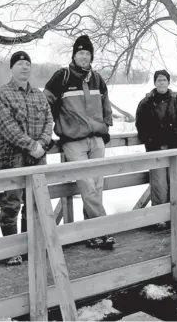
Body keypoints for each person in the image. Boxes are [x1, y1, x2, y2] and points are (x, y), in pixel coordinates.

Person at [43, 35, 115, 250]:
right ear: (74, 55)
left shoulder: (97, 79)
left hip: (96, 139)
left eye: (87, 53)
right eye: (80, 53)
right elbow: (45, 103)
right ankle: (102, 229)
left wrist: (106, 127)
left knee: (97, 186)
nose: (84, 57)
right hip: (73, 141)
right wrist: (54, 125)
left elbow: (106, 104)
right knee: (87, 186)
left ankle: (91, 233)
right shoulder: (62, 77)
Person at [0, 51, 53, 265]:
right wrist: (31, 146)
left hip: (38, 157)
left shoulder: (38, 95)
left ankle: (31, 245)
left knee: (35, 203)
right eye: (20, 64)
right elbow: (7, 126)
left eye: (27, 64)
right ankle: (11, 250)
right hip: (14, 158)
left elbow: (49, 120)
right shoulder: (3, 94)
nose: (24, 67)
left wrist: (43, 144)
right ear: (12, 68)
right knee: (12, 202)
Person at [136, 70, 177, 230]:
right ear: (155, 82)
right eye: (159, 80)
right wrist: (151, 141)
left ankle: (175, 215)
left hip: (174, 148)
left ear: (168, 82)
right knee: (159, 183)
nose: (161, 83)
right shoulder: (146, 102)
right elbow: (140, 124)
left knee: (174, 181)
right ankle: (159, 217)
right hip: (156, 149)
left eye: (164, 80)